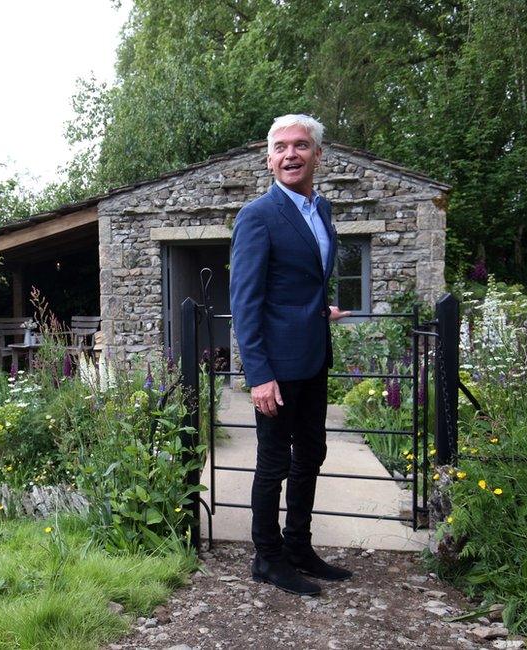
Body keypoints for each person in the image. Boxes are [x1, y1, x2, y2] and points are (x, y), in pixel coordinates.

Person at [230, 114, 353, 597]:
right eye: (280, 147)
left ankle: (298, 546)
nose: (290, 155)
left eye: (300, 146)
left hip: (313, 356)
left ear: (317, 155)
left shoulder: (319, 211)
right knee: (274, 461)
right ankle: (267, 556)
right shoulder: (257, 215)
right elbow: (245, 301)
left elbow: (301, 279)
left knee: (312, 454)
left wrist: (319, 308)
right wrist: (258, 375)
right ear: (268, 159)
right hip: (276, 370)